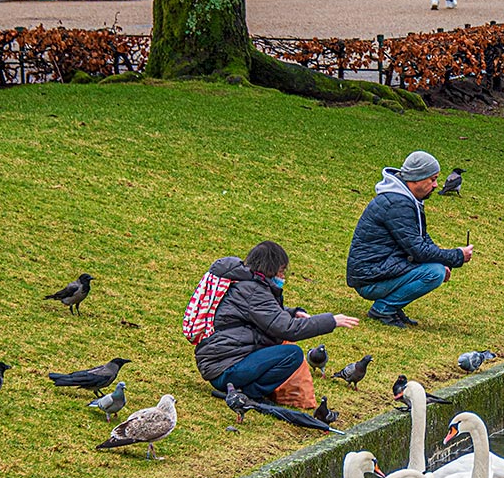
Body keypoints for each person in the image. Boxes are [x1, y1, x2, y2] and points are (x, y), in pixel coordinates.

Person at [195, 241, 359, 400]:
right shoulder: (254, 292)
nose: (282, 276)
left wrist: (293, 312)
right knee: (292, 354)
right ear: (270, 269)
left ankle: (243, 390)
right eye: (281, 271)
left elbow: (263, 312)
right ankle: (248, 393)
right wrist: (331, 321)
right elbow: (288, 329)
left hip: (220, 364)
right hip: (225, 370)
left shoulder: (245, 284)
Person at [346, 151, 473, 328]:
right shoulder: (398, 204)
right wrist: (457, 255)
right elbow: (419, 251)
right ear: (416, 179)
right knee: (434, 273)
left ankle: (393, 307)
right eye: (432, 179)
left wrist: (445, 259)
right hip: (370, 279)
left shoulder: (404, 199)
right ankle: (384, 309)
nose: (436, 185)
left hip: (377, 271)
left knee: (437, 268)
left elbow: (421, 239)